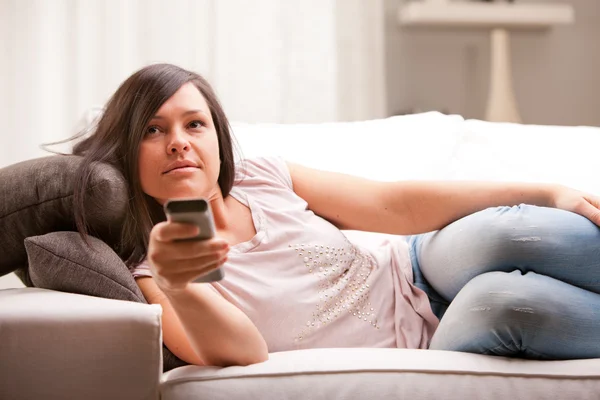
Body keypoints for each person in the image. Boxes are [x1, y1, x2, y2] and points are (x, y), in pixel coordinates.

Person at [69, 63, 600, 367]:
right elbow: (243, 351)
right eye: (153, 130)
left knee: (510, 230)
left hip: (416, 266)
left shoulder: (261, 176)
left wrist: (546, 190)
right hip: (429, 340)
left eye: (195, 125)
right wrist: (182, 285)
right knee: (503, 299)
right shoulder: (156, 271)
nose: (179, 143)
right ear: (125, 151)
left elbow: (390, 205)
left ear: (217, 137)